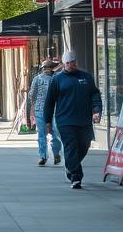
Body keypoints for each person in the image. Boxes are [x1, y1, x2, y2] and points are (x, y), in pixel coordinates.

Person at [43, 50, 102, 189]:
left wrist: (97, 110)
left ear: (76, 62)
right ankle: (76, 176)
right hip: (65, 121)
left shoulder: (86, 77)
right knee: (71, 147)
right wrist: (48, 121)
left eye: (73, 62)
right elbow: (49, 101)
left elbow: (95, 94)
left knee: (84, 146)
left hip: (84, 120)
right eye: (68, 63)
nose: (70, 65)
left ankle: (70, 165)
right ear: (63, 64)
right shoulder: (57, 79)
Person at [29, 60, 62, 166]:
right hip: (45, 109)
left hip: (50, 109)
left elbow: (32, 95)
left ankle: (51, 155)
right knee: (47, 133)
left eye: (48, 68)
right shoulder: (54, 78)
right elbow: (32, 95)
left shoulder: (56, 78)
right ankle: (45, 155)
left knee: (51, 133)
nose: (46, 70)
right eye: (45, 68)